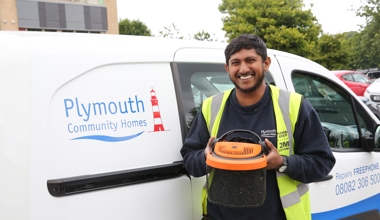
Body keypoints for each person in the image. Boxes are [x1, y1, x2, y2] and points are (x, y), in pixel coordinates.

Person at [180, 34, 336, 220]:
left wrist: (283, 163)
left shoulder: (294, 105)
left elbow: (322, 163)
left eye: (250, 60)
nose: (243, 68)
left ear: (266, 63)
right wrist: (205, 157)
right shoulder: (210, 107)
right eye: (235, 62)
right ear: (227, 68)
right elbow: (190, 160)